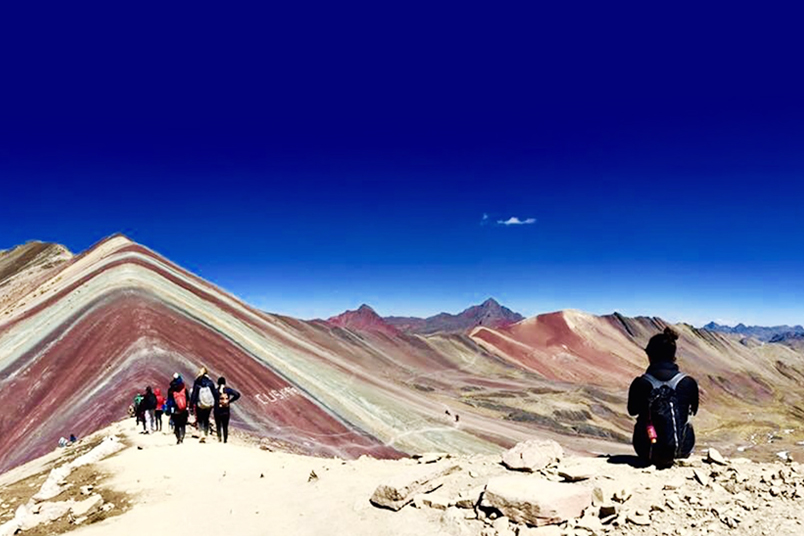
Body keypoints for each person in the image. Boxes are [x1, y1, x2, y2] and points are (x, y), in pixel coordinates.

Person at [628, 327, 699, 468]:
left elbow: (632, 411)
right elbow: (693, 410)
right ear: (674, 356)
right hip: (681, 450)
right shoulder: (688, 382)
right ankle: (675, 450)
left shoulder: (640, 383)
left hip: (646, 450)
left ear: (650, 355)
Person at [190, 367, 218, 443]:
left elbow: (194, 394)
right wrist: (216, 403)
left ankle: (202, 433)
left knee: (200, 418)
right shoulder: (210, 382)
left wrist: (191, 405)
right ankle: (206, 434)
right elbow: (215, 393)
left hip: (200, 403)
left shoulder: (197, 381)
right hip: (208, 404)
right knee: (206, 418)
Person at [214, 376, 241, 443]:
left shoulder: (215, 391)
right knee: (225, 426)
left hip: (217, 410)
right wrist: (230, 401)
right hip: (225, 411)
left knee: (218, 425)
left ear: (218, 383)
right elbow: (237, 394)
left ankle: (219, 438)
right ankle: (225, 440)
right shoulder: (228, 390)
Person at [168, 373, 190, 445]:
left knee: (176, 425)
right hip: (183, 409)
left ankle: (178, 438)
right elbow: (187, 399)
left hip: (175, 410)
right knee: (183, 424)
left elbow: (169, 401)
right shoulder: (184, 389)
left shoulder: (171, 390)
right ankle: (182, 437)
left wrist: (169, 410)